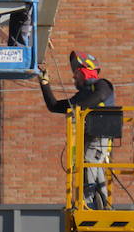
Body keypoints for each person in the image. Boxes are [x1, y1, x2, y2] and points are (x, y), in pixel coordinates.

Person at [39, 51, 115, 209]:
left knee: (88, 163)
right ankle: (102, 205)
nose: (74, 78)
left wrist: (79, 109)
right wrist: (44, 83)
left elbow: (100, 96)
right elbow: (54, 106)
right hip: (89, 136)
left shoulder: (102, 85)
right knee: (93, 165)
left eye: (76, 74)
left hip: (100, 134)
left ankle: (87, 205)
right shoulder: (80, 96)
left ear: (85, 71)